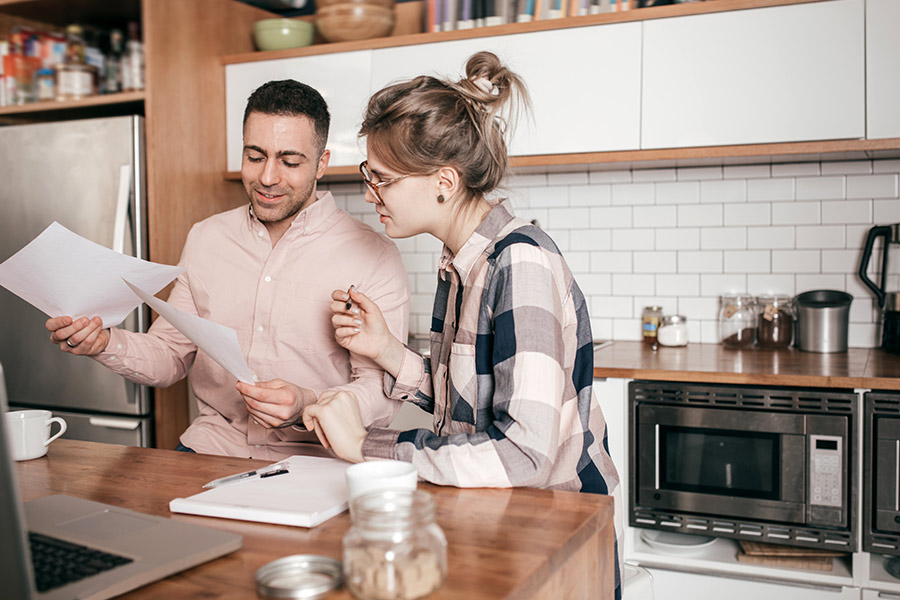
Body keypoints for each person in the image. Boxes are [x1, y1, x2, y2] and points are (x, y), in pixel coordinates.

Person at [301, 51, 621, 597]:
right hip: (499, 517)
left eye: (381, 178)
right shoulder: (462, 265)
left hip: (555, 534)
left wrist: (369, 448)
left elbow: (525, 453)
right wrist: (387, 350)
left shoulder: (519, 263)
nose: (369, 193)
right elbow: (471, 407)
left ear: (444, 180)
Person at [44, 79, 410, 460]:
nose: (268, 177)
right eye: (255, 157)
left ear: (322, 164)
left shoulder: (373, 255)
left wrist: (308, 404)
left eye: (289, 161)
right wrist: (104, 343)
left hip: (318, 459)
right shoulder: (207, 238)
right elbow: (169, 356)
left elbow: (382, 393)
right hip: (211, 448)